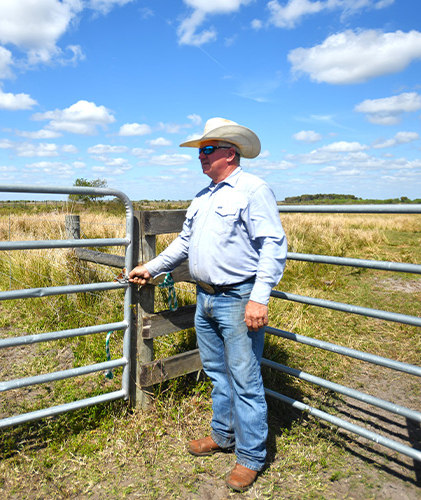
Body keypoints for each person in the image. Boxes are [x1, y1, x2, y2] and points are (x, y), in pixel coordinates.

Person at [128, 117, 287, 492]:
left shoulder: (252, 190)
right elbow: (183, 244)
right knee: (217, 372)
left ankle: (250, 457)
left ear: (230, 153)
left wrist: (258, 298)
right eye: (200, 151)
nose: (201, 156)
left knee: (245, 378)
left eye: (208, 149)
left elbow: (273, 245)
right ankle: (223, 435)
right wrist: (149, 267)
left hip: (237, 297)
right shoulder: (203, 197)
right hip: (205, 298)